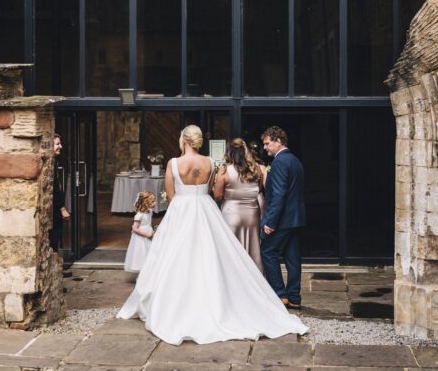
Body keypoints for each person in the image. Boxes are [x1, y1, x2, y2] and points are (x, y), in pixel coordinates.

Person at [117, 125, 307, 345]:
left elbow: (170, 196)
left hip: (182, 209)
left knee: (175, 255)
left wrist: (183, 202)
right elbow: (209, 191)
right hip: (205, 209)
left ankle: (177, 302)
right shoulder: (209, 162)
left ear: (184, 141)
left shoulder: (173, 163)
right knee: (212, 254)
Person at [260, 126, 306, 310]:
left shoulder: (279, 163)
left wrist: (270, 222)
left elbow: (279, 194)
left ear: (279, 141)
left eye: (267, 143)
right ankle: (294, 297)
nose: (265, 147)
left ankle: (280, 295)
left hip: (282, 220)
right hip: (296, 219)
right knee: (293, 258)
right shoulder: (295, 160)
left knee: (268, 253)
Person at [213, 138, 267, 273]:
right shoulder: (258, 169)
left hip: (232, 213)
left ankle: (234, 277)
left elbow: (218, 195)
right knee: (253, 247)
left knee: (232, 248)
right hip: (252, 213)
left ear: (229, 152)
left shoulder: (224, 171)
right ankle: (255, 278)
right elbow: (259, 190)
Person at [124, 191, 156, 273]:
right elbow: (134, 228)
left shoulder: (150, 211)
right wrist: (146, 234)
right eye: (152, 201)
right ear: (146, 203)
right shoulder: (139, 215)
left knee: (150, 252)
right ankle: (142, 272)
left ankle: (149, 270)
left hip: (149, 233)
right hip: (141, 237)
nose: (155, 203)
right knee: (142, 253)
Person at [49, 134, 71, 252]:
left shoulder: (54, 162)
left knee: (56, 236)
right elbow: (55, 188)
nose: (60, 146)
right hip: (53, 208)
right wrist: (62, 208)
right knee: (54, 235)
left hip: (55, 207)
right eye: (57, 144)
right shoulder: (50, 164)